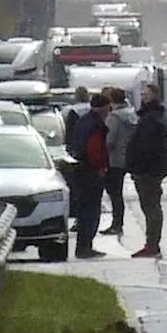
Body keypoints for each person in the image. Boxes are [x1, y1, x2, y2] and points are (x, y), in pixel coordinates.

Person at [127, 83, 167, 258]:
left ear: (154, 96)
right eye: (143, 94)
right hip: (151, 170)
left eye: (147, 95)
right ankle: (152, 242)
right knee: (151, 207)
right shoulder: (152, 117)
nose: (144, 97)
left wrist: (139, 166)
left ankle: (152, 243)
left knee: (151, 207)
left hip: (147, 172)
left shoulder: (150, 120)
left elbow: (147, 147)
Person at [70, 93, 111, 259]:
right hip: (91, 173)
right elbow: (93, 149)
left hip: (80, 171)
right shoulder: (96, 126)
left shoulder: (83, 121)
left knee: (83, 210)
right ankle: (85, 246)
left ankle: (83, 244)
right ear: (103, 108)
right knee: (91, 211)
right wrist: (101, 166)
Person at [102, 86, 138, 236]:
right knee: (118, 192)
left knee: (114, 193)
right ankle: (118, 222)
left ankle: (117, 223)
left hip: (114, 159)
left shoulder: (114, 117)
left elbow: (109, 139)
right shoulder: (131, 114)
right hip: (128, 157)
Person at [63, 85, 92, 231]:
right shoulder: (92, 110)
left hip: (79, 155)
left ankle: (79, 221)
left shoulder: (73, 111)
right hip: (93, 155)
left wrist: (70, 152)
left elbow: (69, 135)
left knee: (77, 190)